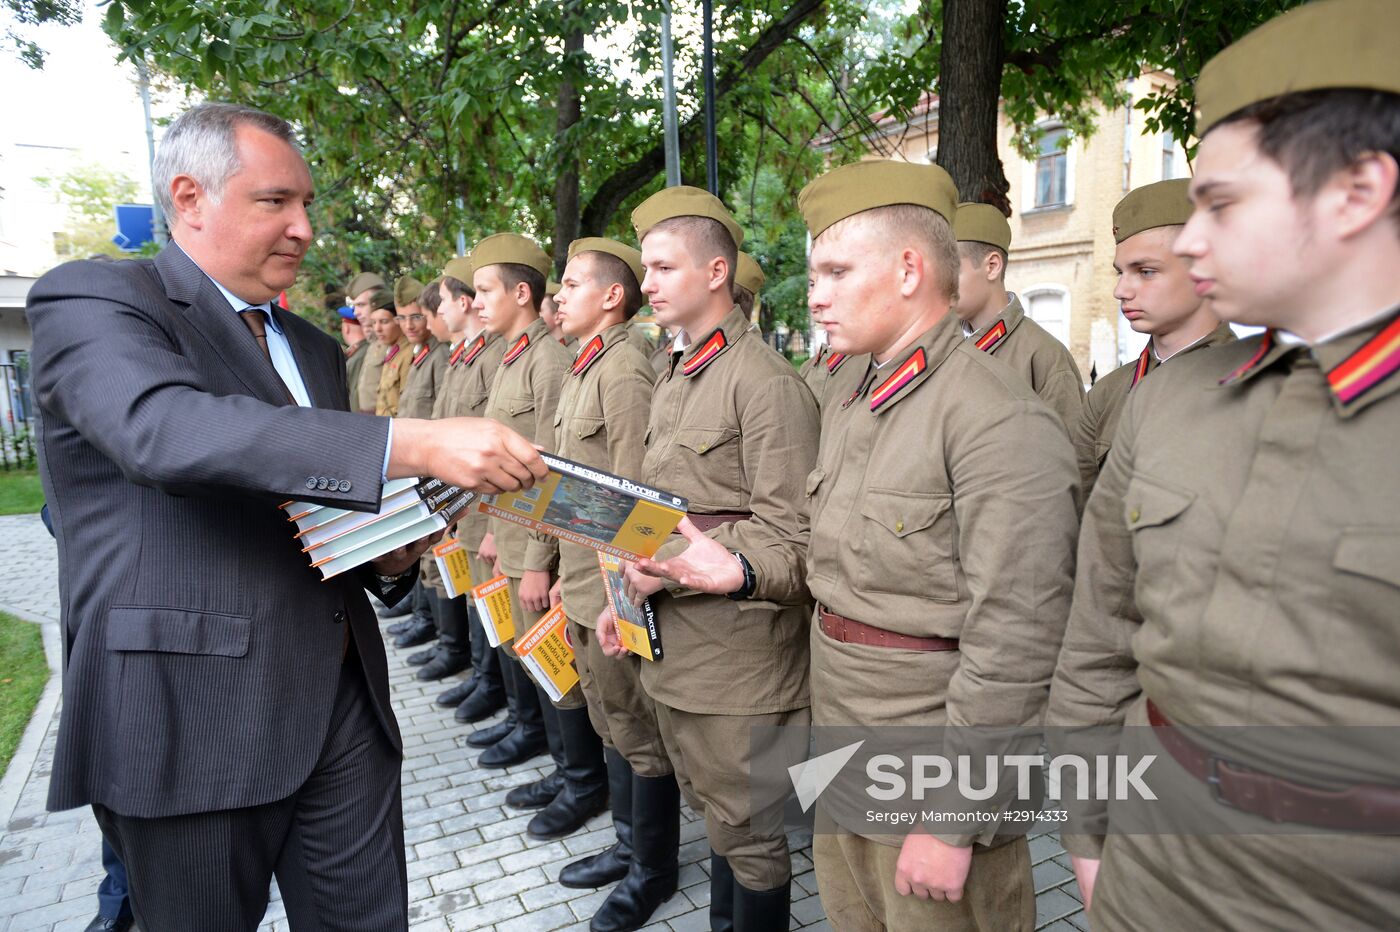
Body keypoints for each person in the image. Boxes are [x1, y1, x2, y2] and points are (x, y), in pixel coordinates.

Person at [27, 102, 545, 931]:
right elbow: (167, 432)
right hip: (190, 714)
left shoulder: (308, 345)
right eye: (276, 202)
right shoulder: (96, 299)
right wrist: (412, 443)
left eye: (306, 203)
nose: (303, 228)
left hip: (339, 704)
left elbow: (316, 502)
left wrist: (392, 550)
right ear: (190, 198)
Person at [635, 161, 1081, 931]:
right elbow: (815, 557)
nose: (814, 295)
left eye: (836, 271)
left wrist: (953, 818)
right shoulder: (851, 403)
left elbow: (1018, 641)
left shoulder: (997, 418)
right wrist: (734, 568)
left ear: (909, 269)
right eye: (814, 274)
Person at [1048, 1, 1400, 927]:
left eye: (1222, 203)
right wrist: (1086, 835)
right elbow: (1100, 638)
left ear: (1358, 191)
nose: (1192, 239)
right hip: (1148, 876)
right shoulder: (1166, 402)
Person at [614, 185, 819, 930]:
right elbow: (660, 511)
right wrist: (630, 591)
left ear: (715, 274)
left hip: (740, 666)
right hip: (676, 652)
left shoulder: (764, 384)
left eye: (664, 267)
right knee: (721, 822)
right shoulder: (675, 373)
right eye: (645, 269)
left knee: (753, 836)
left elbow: (793, 541)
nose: (648, 284)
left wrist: (683, 562)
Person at [548, 237, 682, 931]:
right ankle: (629, 848)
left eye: (571, 285)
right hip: (578, 580)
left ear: (610, 296)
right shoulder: (586, 365)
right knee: (610, 720)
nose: (557, 297)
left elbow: (636, 497)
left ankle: (652, 870)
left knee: (637, 729)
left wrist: (620, 600)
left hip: (608, 586)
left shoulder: (625, 368)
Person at [473, 233, 575, 777]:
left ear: (520, 293)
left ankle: (575, 776)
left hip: (540, 545)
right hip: (510, 534)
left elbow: (555, 468)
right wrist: (494, 530)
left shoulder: (548, 362)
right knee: (525, 652)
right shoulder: (512, 359)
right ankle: (550, 755)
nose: (477, 301)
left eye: (486, 289)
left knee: (553, 662)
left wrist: (539, 559)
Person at [1071, 179, 1235, 493]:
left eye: (1146, 271)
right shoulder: (1107, 396)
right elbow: (1079, 518)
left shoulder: (1251, 387)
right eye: (1121, 272)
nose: (1120, 290)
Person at [432, 258, 510, 725]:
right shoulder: (467, 356)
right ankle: (488, 680)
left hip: (495, 513)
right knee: (483, 603)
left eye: (443, 301)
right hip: (469, 505)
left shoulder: (497, 355)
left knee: (503, 611)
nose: (440, 311)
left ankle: (503, 695)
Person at [954, 202, 1085, 438]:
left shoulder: (1045, 358)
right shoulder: (938, 347)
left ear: (992, 266)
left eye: (951, 270)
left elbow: (1070, 462)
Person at [373, 279, 416, 417]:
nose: (377, 329)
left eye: (384, 322)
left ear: (398, 321)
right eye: (374, 322)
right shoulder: (392, 352)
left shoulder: (410, 353)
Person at [348, 272, 389, 414]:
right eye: (355, 306)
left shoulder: (394, 341)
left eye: (361, 305)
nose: (356, 313)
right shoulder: (374, 343)